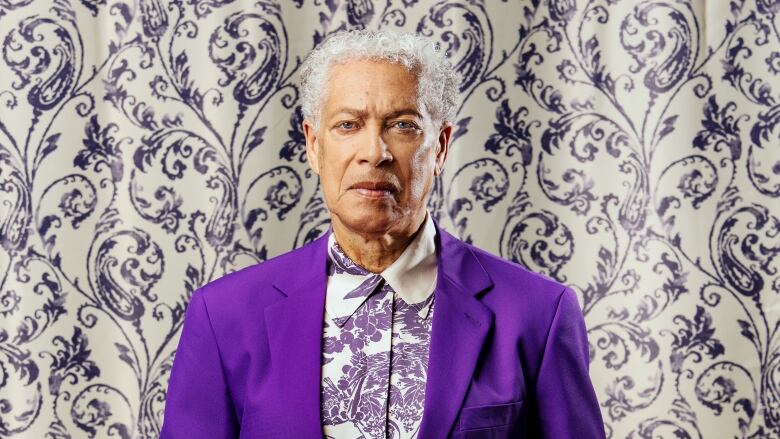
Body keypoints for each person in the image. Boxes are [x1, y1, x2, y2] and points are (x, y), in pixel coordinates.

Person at [160, 29, 606, 438]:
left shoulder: (538, 315)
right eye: (348, 125)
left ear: (441, 146)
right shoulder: (224, 316)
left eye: (403, 125)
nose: (374, 153)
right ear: (314, 145)